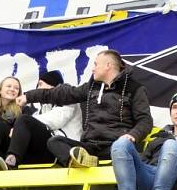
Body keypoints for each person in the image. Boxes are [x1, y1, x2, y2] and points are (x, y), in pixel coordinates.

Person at [16, 50, 153, 167]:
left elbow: (145, 120)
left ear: (108, 65)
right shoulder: (90, 87)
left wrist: (133, 135)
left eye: (95, 64)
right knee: (54, 141)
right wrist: (29, 96)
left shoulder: (135, 88)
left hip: (116, 146)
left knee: (122, 151)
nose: (93, 69)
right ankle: (80, 163)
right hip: (90, 147)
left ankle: (88, 166)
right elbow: (61, 94)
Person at [0, 71, 82, 170]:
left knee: (24, 120)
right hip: (44, 149)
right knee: (0, 126)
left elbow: (56, 120)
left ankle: (11, 162)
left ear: (53, 85)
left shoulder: (67, 97)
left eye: (40, 84)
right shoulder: (43, 107)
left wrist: (19, 126)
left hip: (61, 150)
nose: (37, 89)